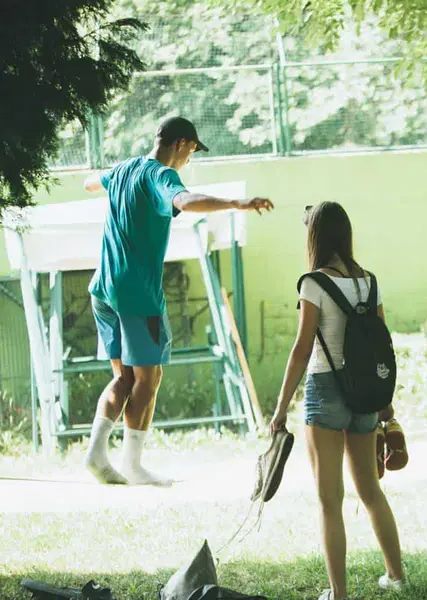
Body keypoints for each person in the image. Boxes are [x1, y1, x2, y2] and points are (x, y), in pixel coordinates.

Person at [82, 115, 273, 486]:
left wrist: (104, 184)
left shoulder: (123, 170)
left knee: (123, 378)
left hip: (103, 289)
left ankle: (95, 454)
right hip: (137, 294)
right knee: (149, 378)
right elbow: (184, 200)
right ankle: (133, 465)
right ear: (181, 144)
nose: (189, 160)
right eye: (191, 152)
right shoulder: (160, 175)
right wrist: (239, 203)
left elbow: (91, 183)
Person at [269, 202, 405, 600]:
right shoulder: (370, 281)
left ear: (315, 237)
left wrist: (280, 408)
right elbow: (382, 344)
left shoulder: (313, 282)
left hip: (326, 390)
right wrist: (385, 400)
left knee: (330, 500)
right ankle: (396, 576)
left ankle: (338, 593)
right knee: (371, 489)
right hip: (366, 392)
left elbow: (302, 347)